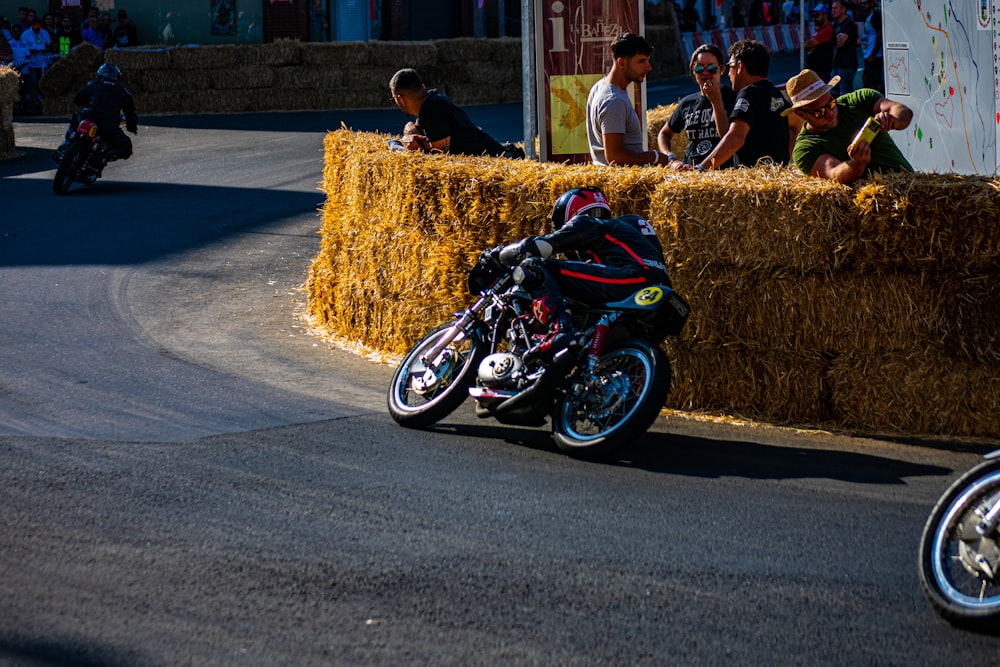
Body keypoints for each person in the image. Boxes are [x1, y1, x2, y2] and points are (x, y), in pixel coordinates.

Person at [487, 187, 671, 361]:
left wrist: (499, 254)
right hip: (658, 295)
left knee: (534, 266)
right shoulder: (627, 230)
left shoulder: (586, 223)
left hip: (631, 279)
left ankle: (559, 330)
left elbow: (536, 248)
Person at [785, 69, 912, 183]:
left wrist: (892, 119)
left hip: (909, 185)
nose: (829, 113)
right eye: (820, 112)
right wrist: (856, 164)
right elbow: (833, 173)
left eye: (831, 103)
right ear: (801, 114)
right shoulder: (804, 149)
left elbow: (903, 111)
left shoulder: (858, 100)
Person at [687, 39, 794, 170]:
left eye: (730, 66)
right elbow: (796, 124)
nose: (728, 73)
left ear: (740, 67)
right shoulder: (776, 94)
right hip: (775, 177)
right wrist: (785, 159)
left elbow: (734, 137)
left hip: (753, 180)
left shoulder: (747, 94)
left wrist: (702, 167)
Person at [388, 68, 515, 157]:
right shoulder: (433, 100)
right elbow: (415, 131)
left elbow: (439, 155)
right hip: (496, 152)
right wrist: (410, 133)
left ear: (401, 99)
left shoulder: (432, 109)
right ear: (422, 86)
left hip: (499, 158)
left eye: (393, 99)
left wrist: (404, 142)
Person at [586, 32, 669, 167]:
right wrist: (655, 156)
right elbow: (614, 156)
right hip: (619, 184)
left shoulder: (600, 86)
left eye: (648, 60)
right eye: (641, 61)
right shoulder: (613, 101)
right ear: (621, 62)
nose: (649, 67)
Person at [656, 43, 736, 169]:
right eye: (699, 69)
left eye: (711, 69)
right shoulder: (688, 102)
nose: (705, 73)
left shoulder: (733, 99)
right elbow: (664, 134)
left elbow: (728, 138)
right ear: (693, 71)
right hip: (690, 170)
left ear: (721, 70)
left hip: (721, 171)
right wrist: (671, 159)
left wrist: (716, 101)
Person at [54, 63, 138, 170]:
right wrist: (132, 127)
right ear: (117, 77)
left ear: (100, 75)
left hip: (90, 116)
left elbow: (78, 99)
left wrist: (90, 103)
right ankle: (103, 157)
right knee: (127, 147)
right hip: (108, 124)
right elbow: (130, 112)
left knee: (77, 117)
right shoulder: (123, 91)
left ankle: (66, 144)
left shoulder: (93, 84)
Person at [19, 17, 50, 114]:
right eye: (36, 25)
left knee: (43, 83)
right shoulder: (26, 34)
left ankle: (42, 103)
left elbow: (49, 45)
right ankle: (31, 102)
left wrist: (46, 49)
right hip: (32, 64)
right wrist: (34, 51)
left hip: (43, 63)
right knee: (32, 83)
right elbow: (24, 49)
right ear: (32, 25)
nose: (38, 27)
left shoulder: (44, 33)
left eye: (39, 25)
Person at [830, 0, 858, 95]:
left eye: (835, 8)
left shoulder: (848, 23)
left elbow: (839, 42)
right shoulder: (835, 24)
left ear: (843, 9)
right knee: (833, 92)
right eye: (832, 8)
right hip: (836, 65)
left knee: (845, 94)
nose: (833, 11)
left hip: (846, 65)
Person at [804, 4, 835, 85]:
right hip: (816, 70)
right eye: (813, 16)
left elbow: (808, 44)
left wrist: (813, 45)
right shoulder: (820, 30)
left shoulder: (827, 30)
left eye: (817, 16)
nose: (814, 19)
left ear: (825, 15)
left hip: (821, 71)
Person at [860, 0, 883, 93]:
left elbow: (879, 35)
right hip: (868, 55)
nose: (863, 5)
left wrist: (873, 54)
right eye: (861, 3)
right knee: (869, 81)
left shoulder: (875, 16)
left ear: (872, 3)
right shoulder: (869, 17)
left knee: (877, 82)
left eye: (865, 3)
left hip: (874, 56)